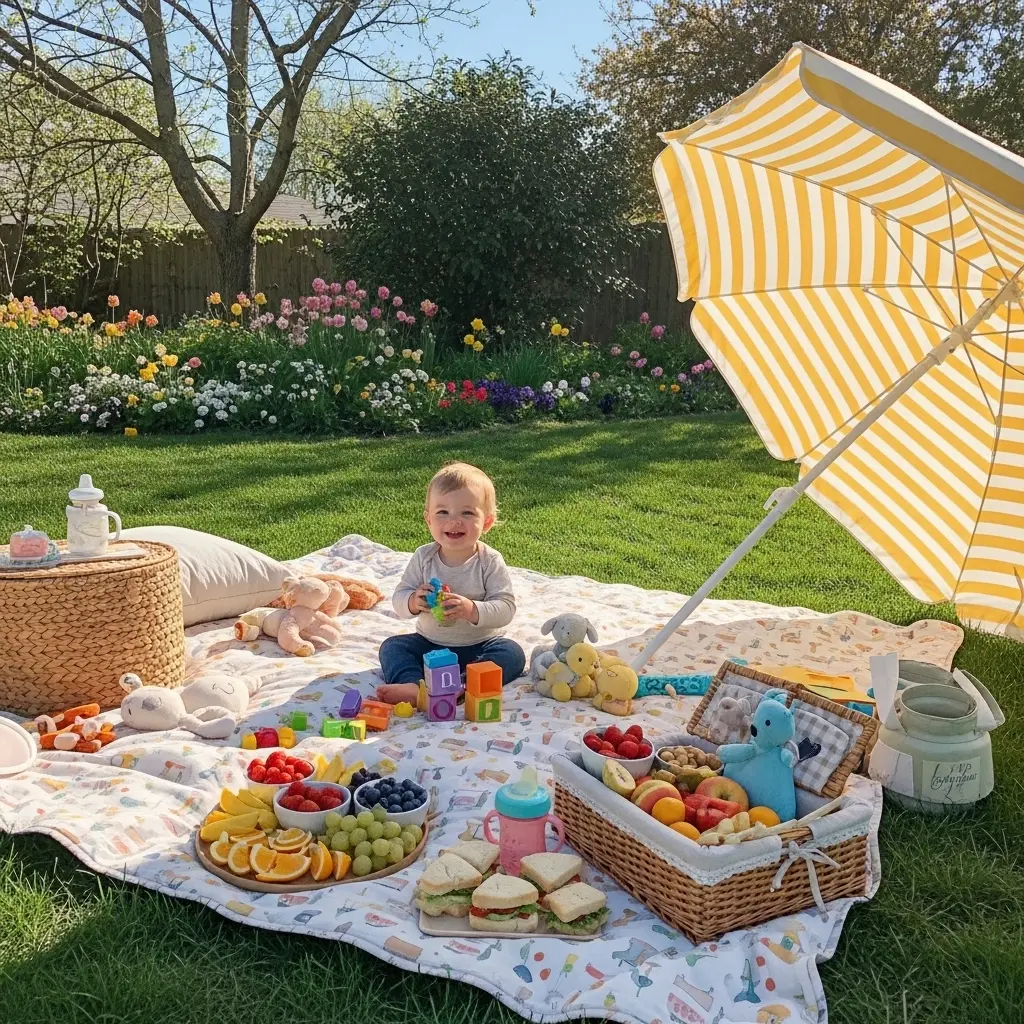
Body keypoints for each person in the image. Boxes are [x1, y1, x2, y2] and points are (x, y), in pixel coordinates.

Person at [377, 462, 526, 704]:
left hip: (480, 645)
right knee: (393, 647)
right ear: (428, 520)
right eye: (443, 512)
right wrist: (414, 601)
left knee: (512, 653)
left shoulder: (489, 560)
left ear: (486, 522)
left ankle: (463, 686)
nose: (454, 521)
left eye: (467, 513)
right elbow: (399, 598)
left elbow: (506, 607)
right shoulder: (424, 557)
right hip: (429, 645)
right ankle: (415, 687)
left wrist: (472, 609)